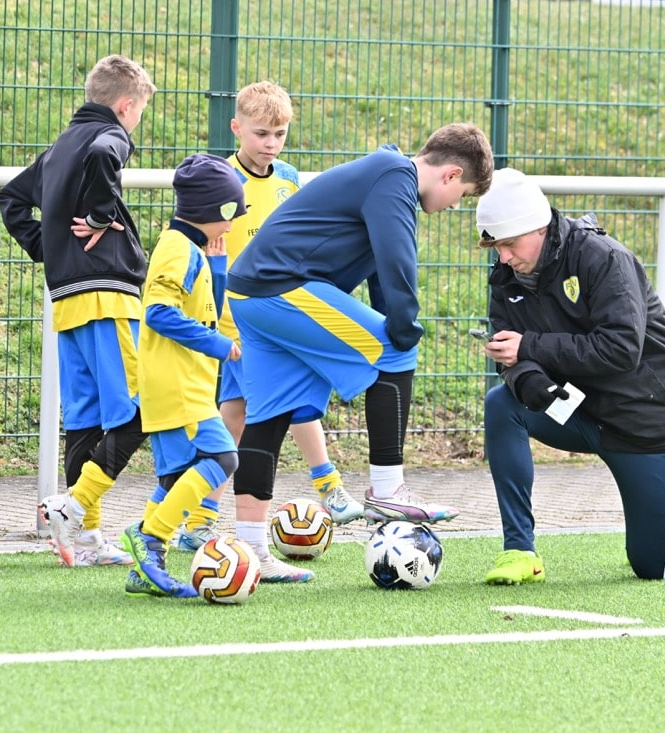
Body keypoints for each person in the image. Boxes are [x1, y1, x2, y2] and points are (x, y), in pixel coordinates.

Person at [224, 123, 495, 578]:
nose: (453, 207)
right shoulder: (395, 177)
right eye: (463, 195)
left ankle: (251, 552)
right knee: (396, 350)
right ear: (450, 175)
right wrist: (404, 327)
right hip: (281, 287)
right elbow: (396, 258)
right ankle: (388, 488)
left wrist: (395, 317)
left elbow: (380, 270)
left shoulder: (385, 175)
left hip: (253, 292)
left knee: (268, 416)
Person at [473, 167, 665, 584]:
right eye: (495, 247)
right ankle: (520, 551)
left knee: (651, 568)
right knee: (502, 405)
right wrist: (527, 378)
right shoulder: (506, 276)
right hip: (580, 411)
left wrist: (530, 347)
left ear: (539, 228)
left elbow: (621, 350)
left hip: (648, 423)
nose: (503, 257)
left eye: (508, 244)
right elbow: (511, 353)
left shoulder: (604, 257)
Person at [171, 81, 365, 563]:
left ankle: (328, 490)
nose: (271, 142)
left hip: (283, 315)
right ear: (237, 128)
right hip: (237, 323)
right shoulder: (221, 182)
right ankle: (201, 519)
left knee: (281, 408)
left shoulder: (292, 179)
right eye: (261, 133)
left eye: (279, 133)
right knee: (237, 417)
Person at [0, 54, 156, 568]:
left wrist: (48, 247)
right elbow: (108, 156)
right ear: (126, 105)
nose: (134, 125)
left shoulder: (57, 147)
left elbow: (10, 199)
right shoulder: (109, 137)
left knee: (86, 423)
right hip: (108, 295)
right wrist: (99, 216)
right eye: (138, 114)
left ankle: (84, 538)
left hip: (66, 302)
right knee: (139, 414)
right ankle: (75, 507)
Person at [121, 153, 247, 598]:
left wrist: (216, 268)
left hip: (182, 385)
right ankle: (150, 538)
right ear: (211, 209)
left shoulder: (190, 249)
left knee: (175, 480)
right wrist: (218, 346)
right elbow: (157, 313)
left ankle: (143, 570)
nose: (232, 224)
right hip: (177, 385)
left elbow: (203, 305)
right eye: (231, 213)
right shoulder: (176, 249)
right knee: (223, 459)